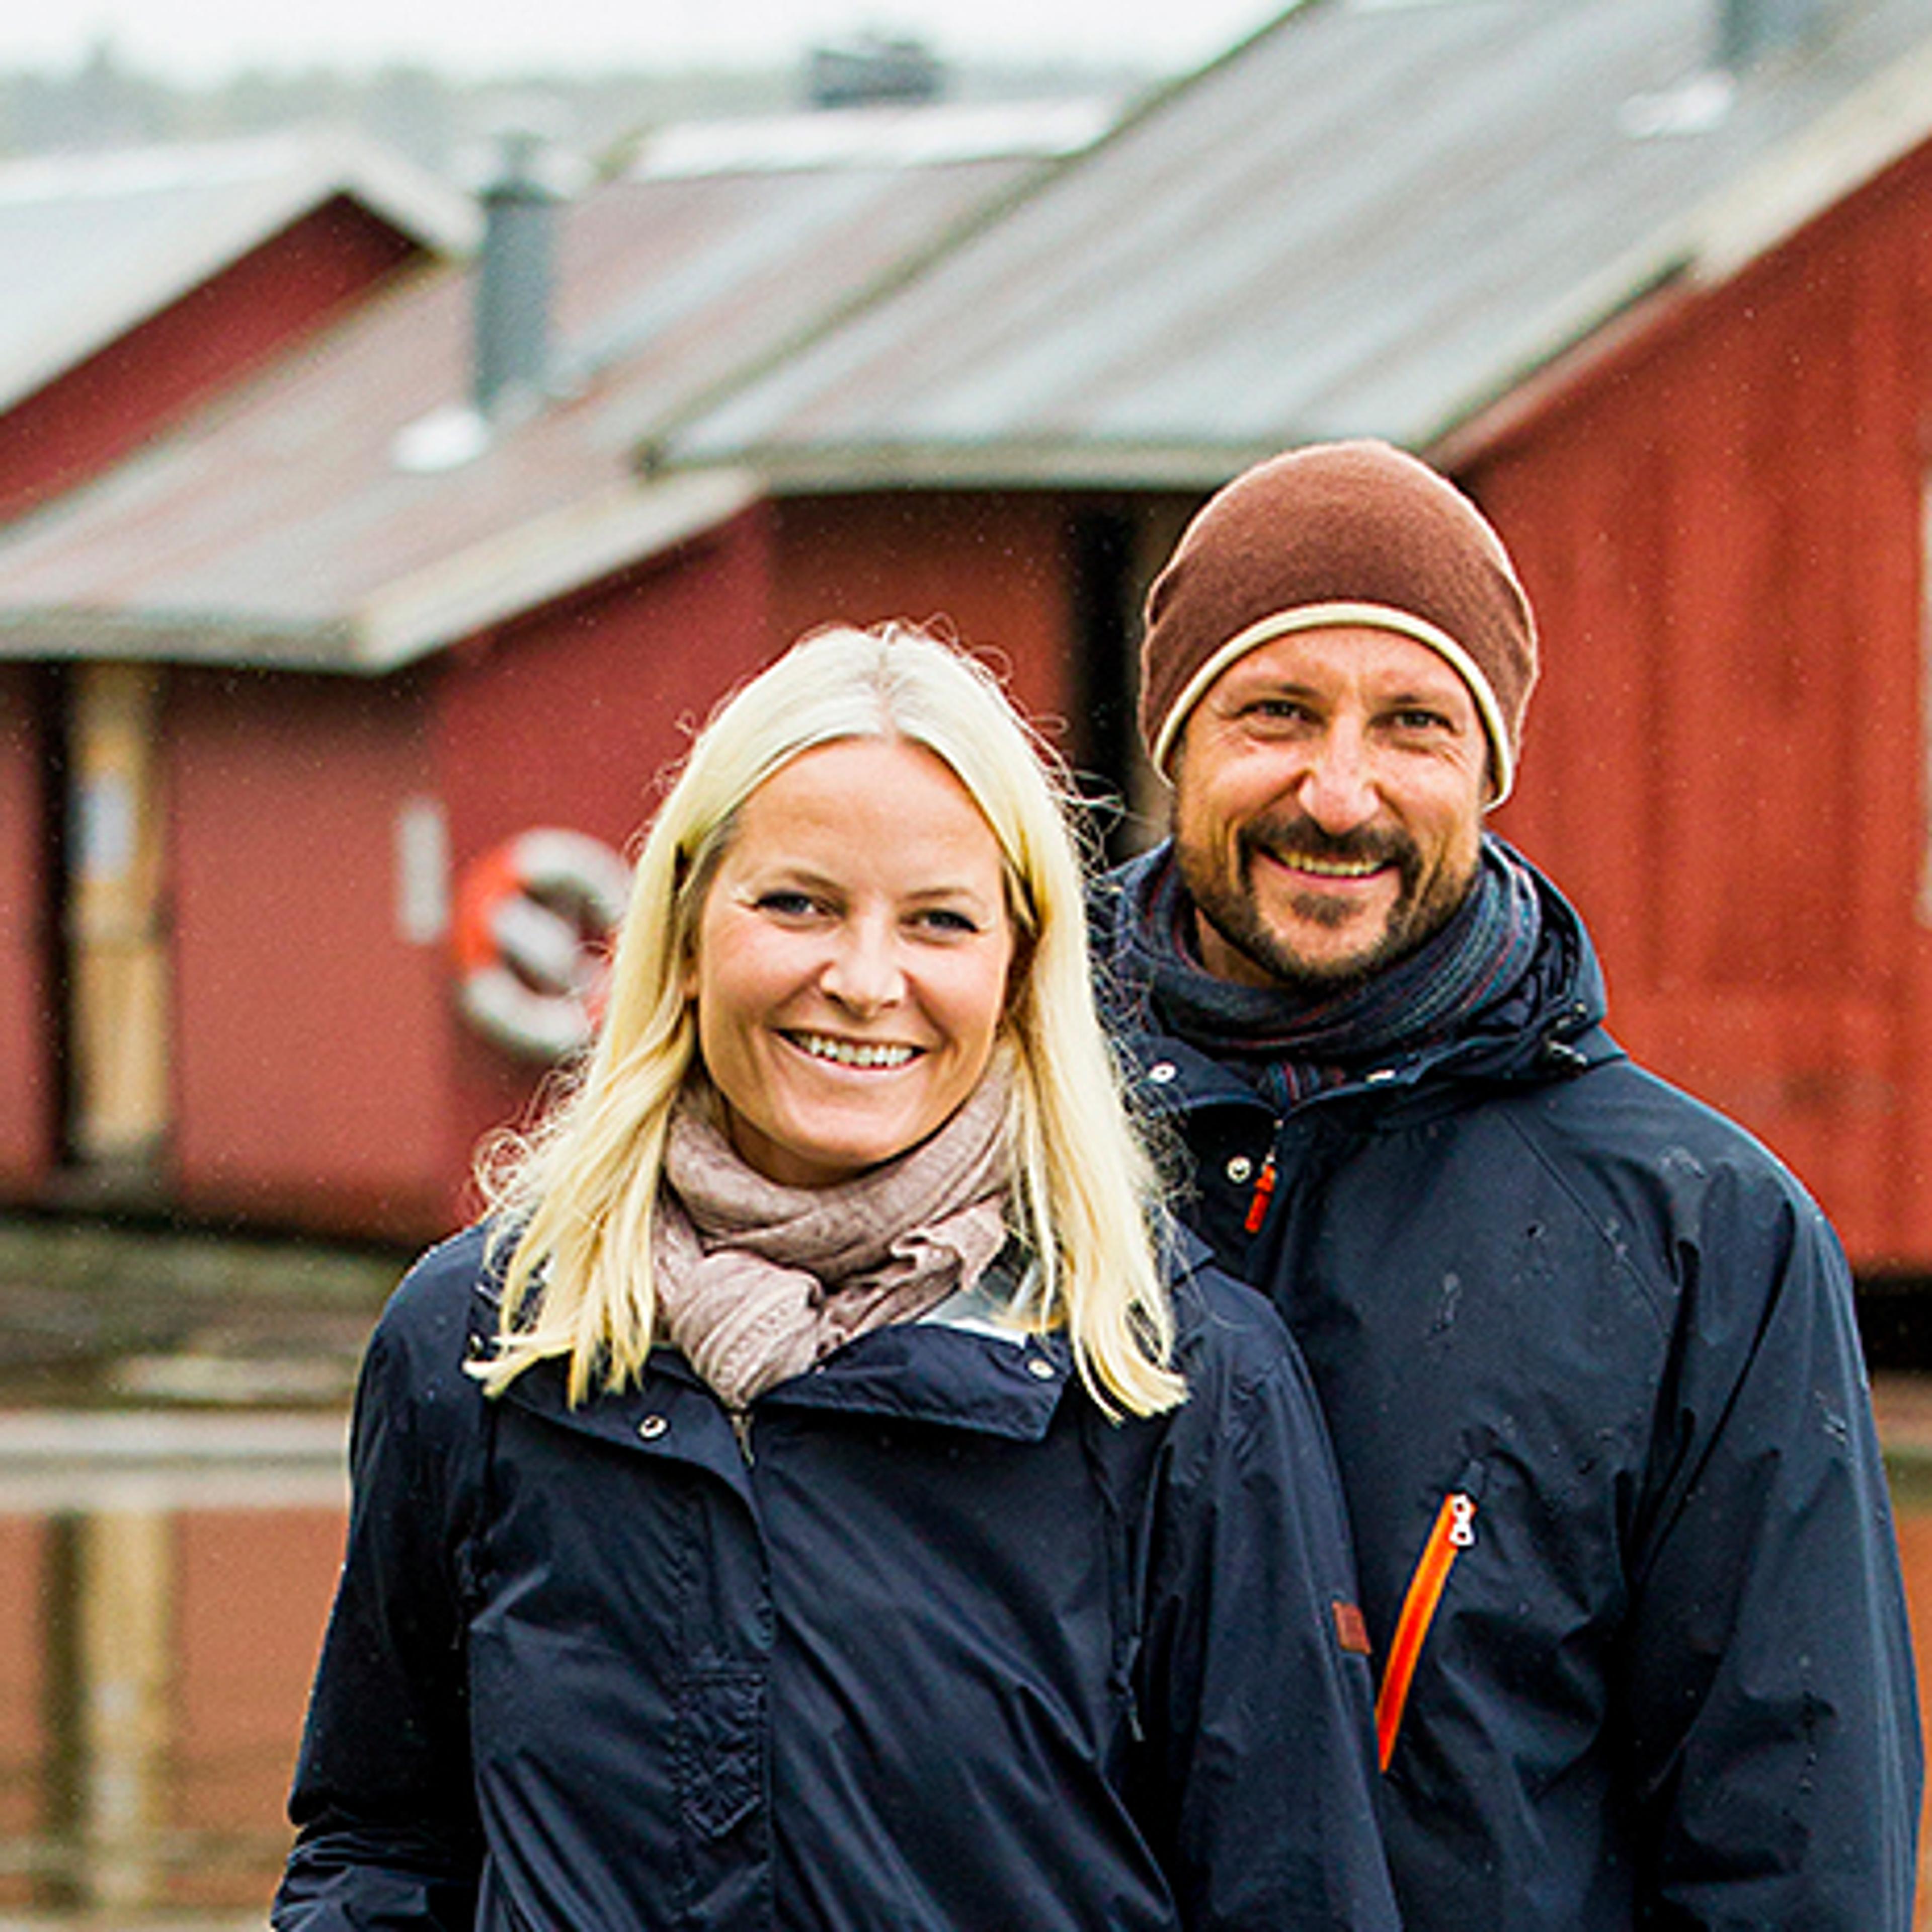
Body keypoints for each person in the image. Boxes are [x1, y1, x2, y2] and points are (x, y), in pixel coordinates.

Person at [273, 623, 1400, 1931]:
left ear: (1018, 970)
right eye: (797, 904)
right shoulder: (488, 1337)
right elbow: (380, 1843)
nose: (865, 982)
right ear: (684, 934)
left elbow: (1295, 1897)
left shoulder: (1175, 1376)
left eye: (938, 922)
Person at [1093, 440, 1923, 1930]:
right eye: (1277, 712)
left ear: (1490, 771)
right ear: (1174, 739)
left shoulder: (1700, 1237)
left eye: (1414, 724)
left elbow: (1797, 1841)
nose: (1339, 793)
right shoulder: (991, 1143)